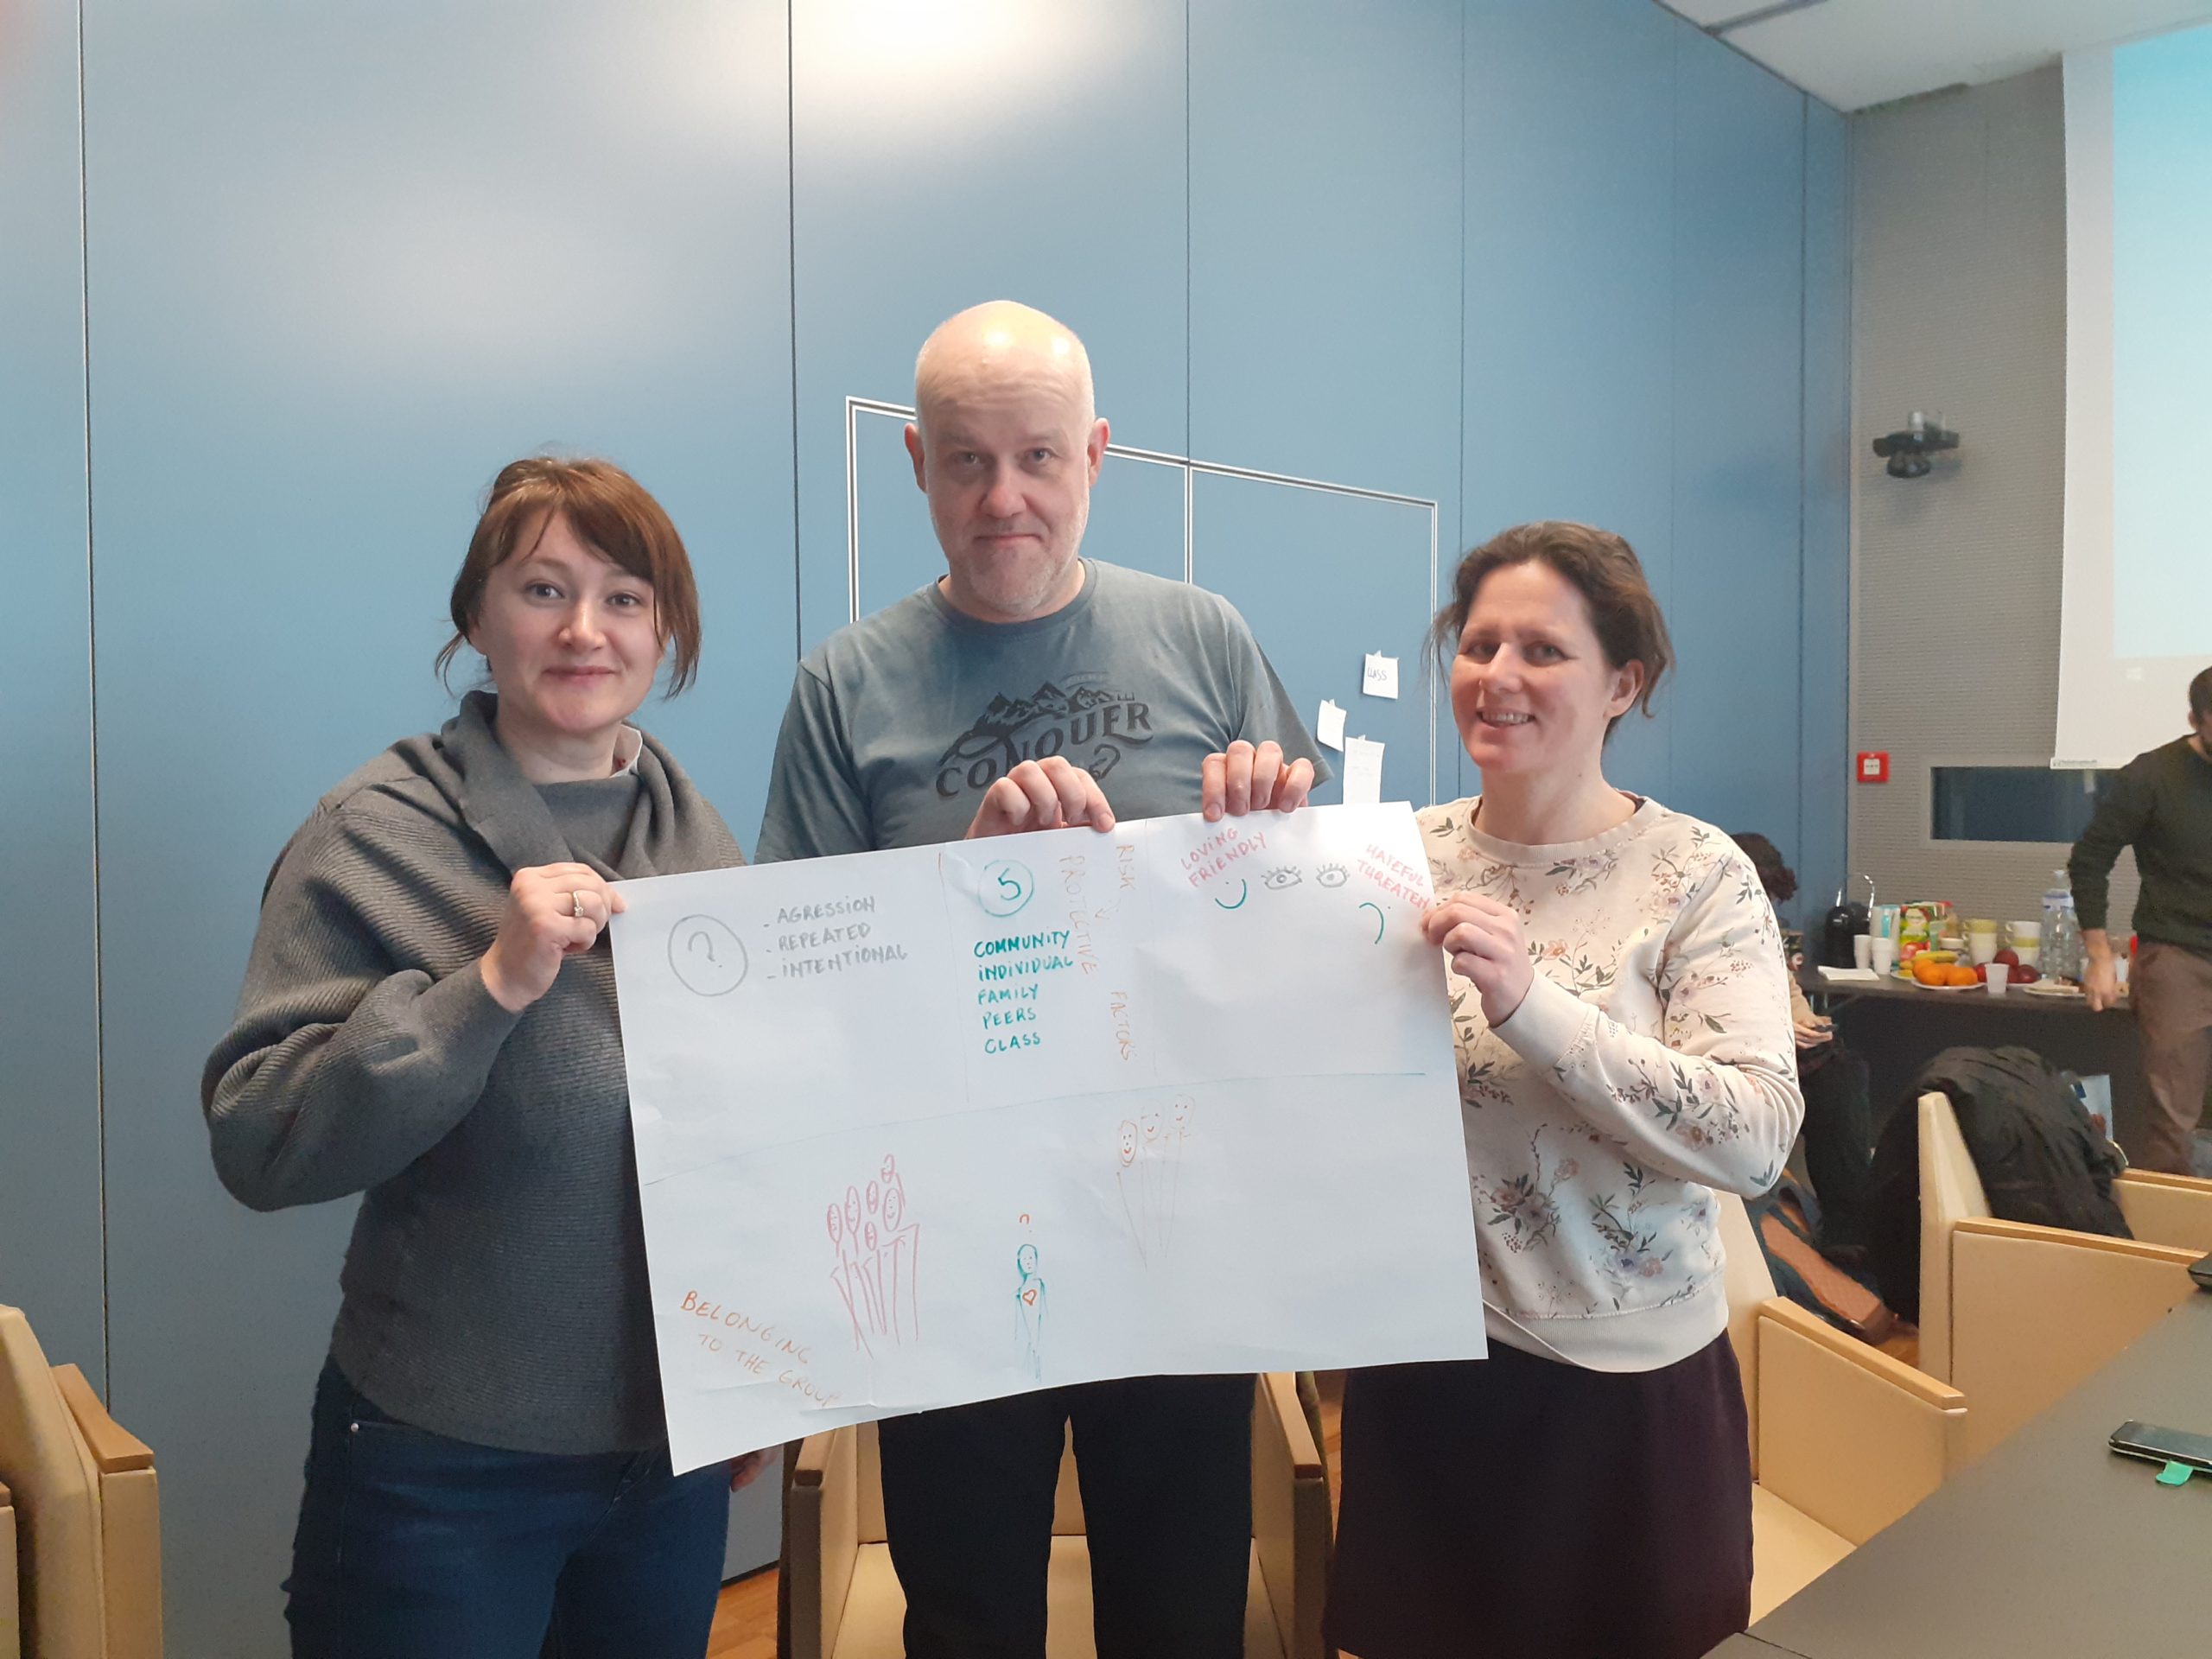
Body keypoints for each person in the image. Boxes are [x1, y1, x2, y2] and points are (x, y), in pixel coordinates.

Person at [756, 300, 1326, 1658]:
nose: (1003, 497)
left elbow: (1299, 940)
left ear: (1097, 455)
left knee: (1183, 1610)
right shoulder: (844, 687)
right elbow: (799, 995)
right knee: (966, 1617)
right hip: (949, 1239)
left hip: (1173, 1227)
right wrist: (967, 893)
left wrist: (1270, 846)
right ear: (916, 462)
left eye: (1039, 458)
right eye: (966, 461)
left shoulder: (1206, 639)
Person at [201, 458, 764, 1658]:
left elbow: (745, 1142)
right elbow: (259, 1138)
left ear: (664, 633)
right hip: (442, 1472)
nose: (584, 630)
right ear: (476, 619)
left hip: (667, 1464)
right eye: (543, 589)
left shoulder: (696, 837)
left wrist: (758, 1368)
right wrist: (489, 986)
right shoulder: (373, 834)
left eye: (624, 598)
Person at [1326, 521, 1803, 1659]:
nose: (1498, 675)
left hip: (1625, 1401)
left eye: (1542, 650)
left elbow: (1755, 1140)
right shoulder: (1390, 861)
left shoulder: (1698, 874)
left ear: (1622, 685)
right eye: (1478, 644)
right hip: (1425, 1384)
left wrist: (1533, 1006)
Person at [2069, 664, 2212, 1175]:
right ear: (2194, 720)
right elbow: (2090, 860)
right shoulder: (2152, 776)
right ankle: (2169, 1225)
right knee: (2174, 1120)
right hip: (2177, 957)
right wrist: (2099, 956)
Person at [1733, 830, 1876, 1256]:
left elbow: (1788, 989)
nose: (1765, 908)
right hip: (1729, 1056)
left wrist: (1805, 1021)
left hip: (1772, 1046)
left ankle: (1851, 1230)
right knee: (1837, 1079)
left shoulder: (1761, 929)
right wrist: (1781, 1028)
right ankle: (1848, 1227)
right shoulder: (1695, 935)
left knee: (1842, 1071)